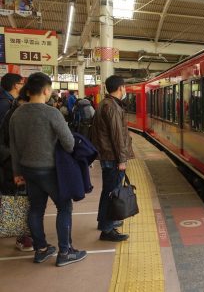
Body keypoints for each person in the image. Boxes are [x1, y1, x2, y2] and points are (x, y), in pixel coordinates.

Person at [9, 72, 87, 267]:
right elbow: (69, 144)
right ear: (45, 90)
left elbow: (14, 146)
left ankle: (41, 250)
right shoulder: (52, 113)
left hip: (28, 169)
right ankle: (65, 252)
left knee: (36, 209)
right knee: (64, 207)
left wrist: (17, 172)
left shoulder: (17, 114)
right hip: (51, 171)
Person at [91, 75, 134, 242]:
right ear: (120, 88)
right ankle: (108, 230)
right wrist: (122, 160)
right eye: (124, 87)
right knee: (112, 193)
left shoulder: (104, 104)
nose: (125, 90)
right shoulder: (113, 107)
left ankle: (105, 222)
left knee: (108, 192)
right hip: (113, 158)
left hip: (107, 156)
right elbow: (117, 137)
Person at [0, 86, 33, 252]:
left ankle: (27, 236)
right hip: (14, 165)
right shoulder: (15, 114)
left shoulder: (13, 112)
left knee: (24, 201)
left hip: (16, 164)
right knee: (21, 200)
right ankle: (24, 237)